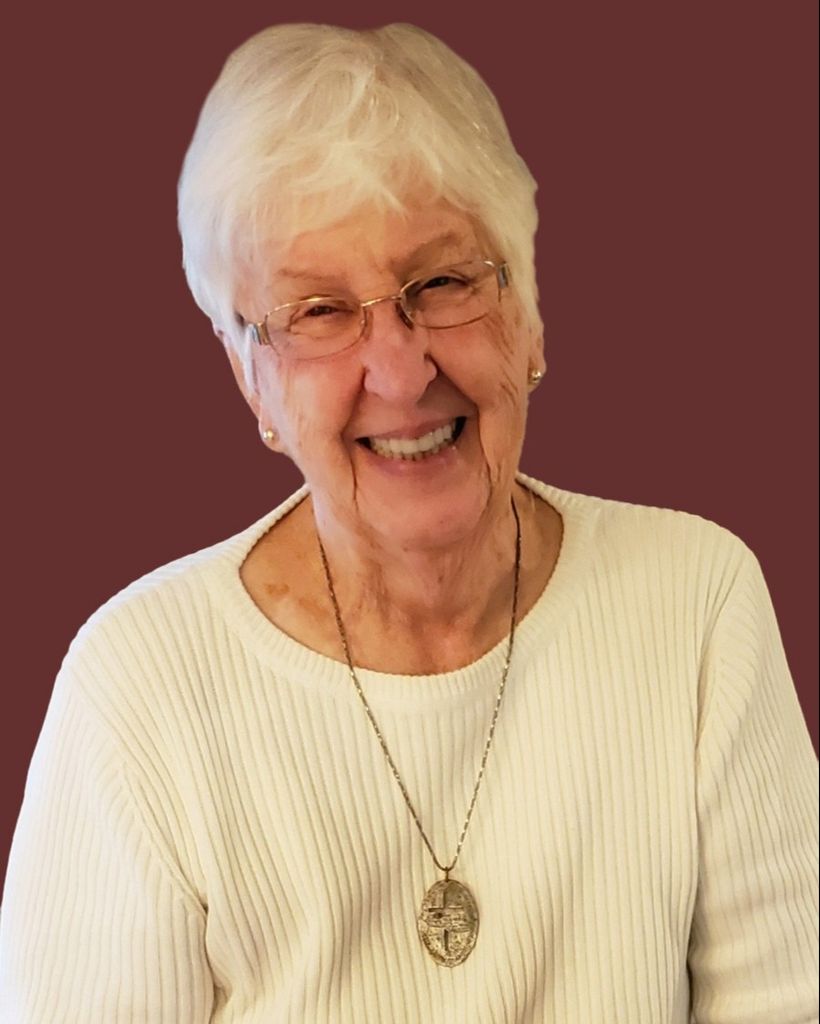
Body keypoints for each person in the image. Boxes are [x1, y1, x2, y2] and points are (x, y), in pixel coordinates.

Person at [0, 21, 817, 1024]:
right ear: (250, 379)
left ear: (528, 318)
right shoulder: (139, 689)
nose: (398, 370)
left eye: (441, 284)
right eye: (318, 312)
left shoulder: (697, 602)